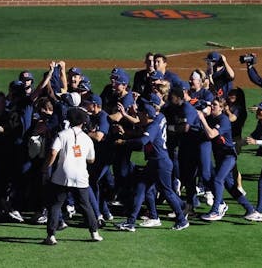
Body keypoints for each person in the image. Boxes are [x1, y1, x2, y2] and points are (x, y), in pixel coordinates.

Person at [114, 101, 190, 231]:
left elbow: (143, 141)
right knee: (142, 189)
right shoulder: (152, 121)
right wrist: (126, 116)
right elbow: (139, 124)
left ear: (146, 115)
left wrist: (124, 142)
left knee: (167, 192)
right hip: (155, 162)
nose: (138, 116)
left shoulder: (153, 126)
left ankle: (182, 219)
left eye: (140, 114)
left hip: (161, 163)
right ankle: (132, 221)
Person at [42, 107, 103, 244]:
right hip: (81, 175)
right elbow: (91, 159)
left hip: (62, 174)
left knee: (55, 205)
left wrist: (46, 168)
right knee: (86, 205)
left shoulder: (62, 134)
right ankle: (94, 233)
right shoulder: (87, 138)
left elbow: (53, 152)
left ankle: (51, 236)